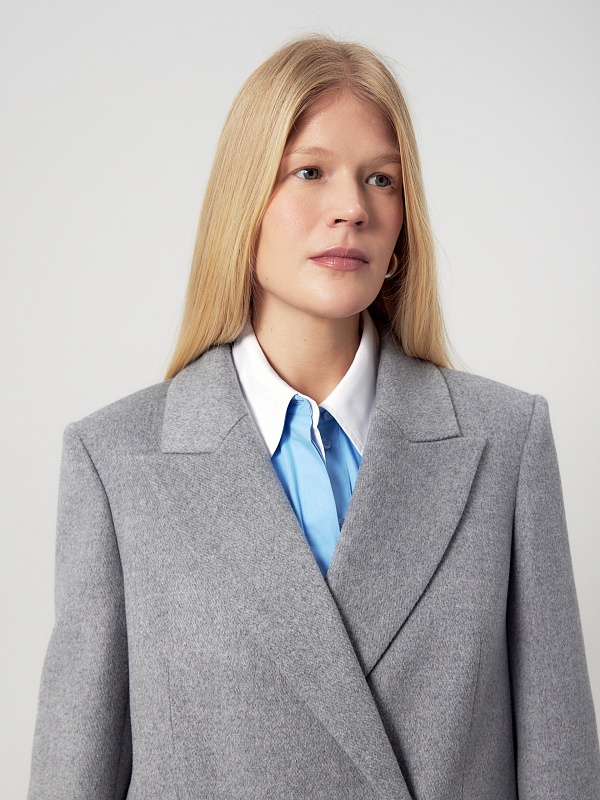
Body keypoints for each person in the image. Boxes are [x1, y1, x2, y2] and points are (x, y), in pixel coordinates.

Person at [28, 34, 600, 800]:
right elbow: (73, 776)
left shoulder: (505, 441)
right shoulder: (118, 461)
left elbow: (562, 764)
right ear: (244, 203)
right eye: (310, 172)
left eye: (381, 179)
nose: (353, 209)